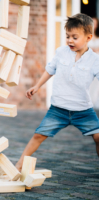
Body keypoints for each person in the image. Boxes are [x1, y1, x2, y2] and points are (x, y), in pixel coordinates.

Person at [15, 13, 99, 171]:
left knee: (98, 136)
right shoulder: (61, 52)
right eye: (67, 36)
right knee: (39, 135)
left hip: (83, 110)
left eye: (75, 37)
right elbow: (49, 70)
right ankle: (19, 165)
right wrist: (37, 86)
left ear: (88, 38)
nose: (69, 40)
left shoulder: (95, 60)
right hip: (58, 108)